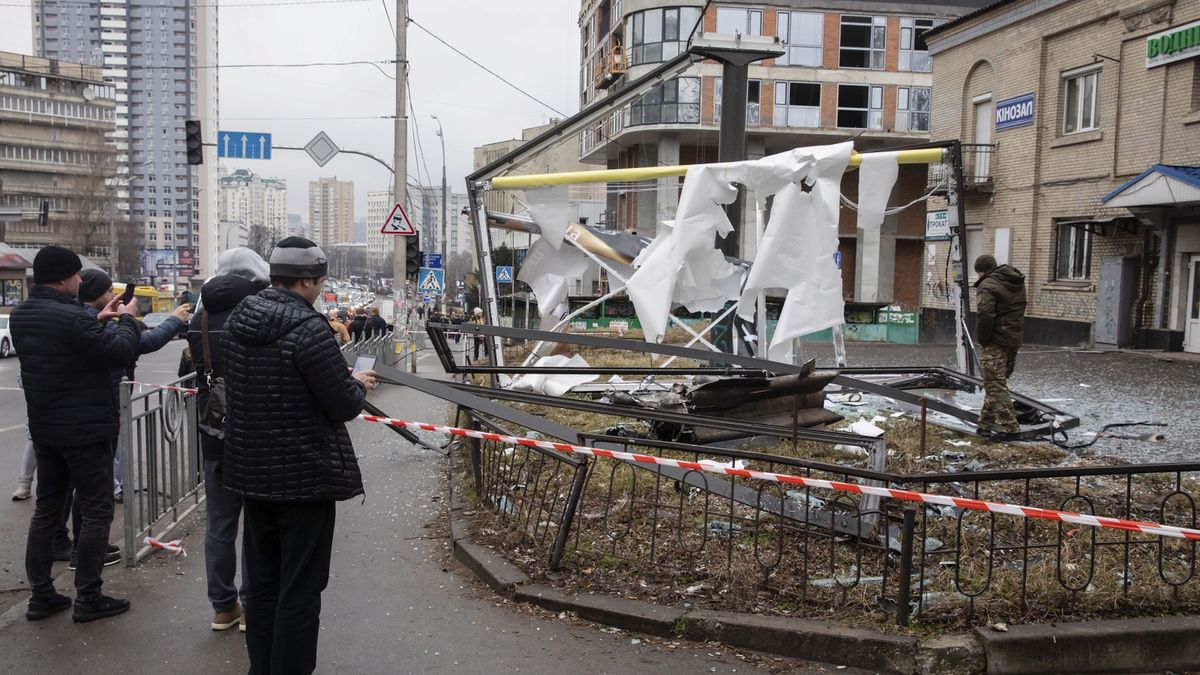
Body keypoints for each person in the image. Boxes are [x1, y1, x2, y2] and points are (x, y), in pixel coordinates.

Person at [221, 237, 375, 673]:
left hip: (252, 475)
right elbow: (342, 405)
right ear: (307, 281)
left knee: (263, 586)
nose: (321, 289)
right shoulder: (310, 330)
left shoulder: (238, 321)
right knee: (300, 591)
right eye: (320, 282)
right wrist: (356, 385)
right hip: (305, 479)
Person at [11, 245, 140, 623]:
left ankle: (41, 595)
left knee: (47, 511)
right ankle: (89, 596)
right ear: (64, 278)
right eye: (77, 275)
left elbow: (67, 349)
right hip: (86, 433)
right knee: (97, 511)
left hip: (46, 431)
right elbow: (120, 351)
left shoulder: (22, 316)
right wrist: (126, 320)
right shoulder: (73, 318)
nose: (81, 281)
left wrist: (97, 318)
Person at [187, 252, 270, 633]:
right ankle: (253, 606)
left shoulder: (199, 319)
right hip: (255, 433)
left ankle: (222, 607)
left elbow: (190, 373)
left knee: (219, 524)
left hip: (213, 430)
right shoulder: (261, 314)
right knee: (256, 523)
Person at [78, 269, 190, 506]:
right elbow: (140, 343)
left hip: (93, 406)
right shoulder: (94, 322)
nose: (112, 296)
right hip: (103, 405)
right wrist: (174, 319)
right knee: (98, 481)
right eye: (108, 291)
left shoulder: (89, 317)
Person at [973, 254, 1028, 436]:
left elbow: (985, 315)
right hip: (1013, 339)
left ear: (981, 271)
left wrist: (983, 339)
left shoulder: (987, 285)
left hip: (996, 340)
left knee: (995, 386)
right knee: (995, 384)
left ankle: (1011, 429)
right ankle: (985, 426)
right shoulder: (1015, 282)